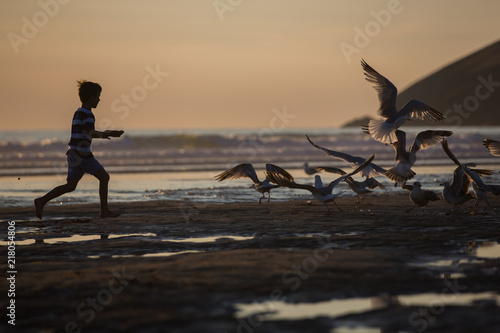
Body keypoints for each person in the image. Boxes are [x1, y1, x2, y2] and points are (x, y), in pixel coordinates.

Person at [34, 80, 124, 219]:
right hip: (82, 155)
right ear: (90, 97)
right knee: (104, 177)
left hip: (73, 153)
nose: (99, 99)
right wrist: (108, 133)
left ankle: (41, 201)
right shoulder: (88, 114)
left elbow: (86, 132)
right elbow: (90, 132)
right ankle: (104, 211)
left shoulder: (78, 112)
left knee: (71, 186)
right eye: (98, 96)